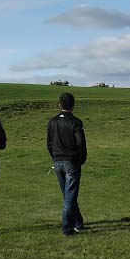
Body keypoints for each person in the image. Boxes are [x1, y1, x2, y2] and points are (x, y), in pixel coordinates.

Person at [47, 92, 87, 236]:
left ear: (59, 105)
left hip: (57, 161)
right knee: (69, 197)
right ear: (73, 106)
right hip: (72, 162)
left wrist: (55, 157)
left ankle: (78, 222)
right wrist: (81, 159)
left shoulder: (52, 122)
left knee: (68, 195)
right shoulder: (76, 122)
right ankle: (67, 228)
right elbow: (80, 143)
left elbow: (49, 143)